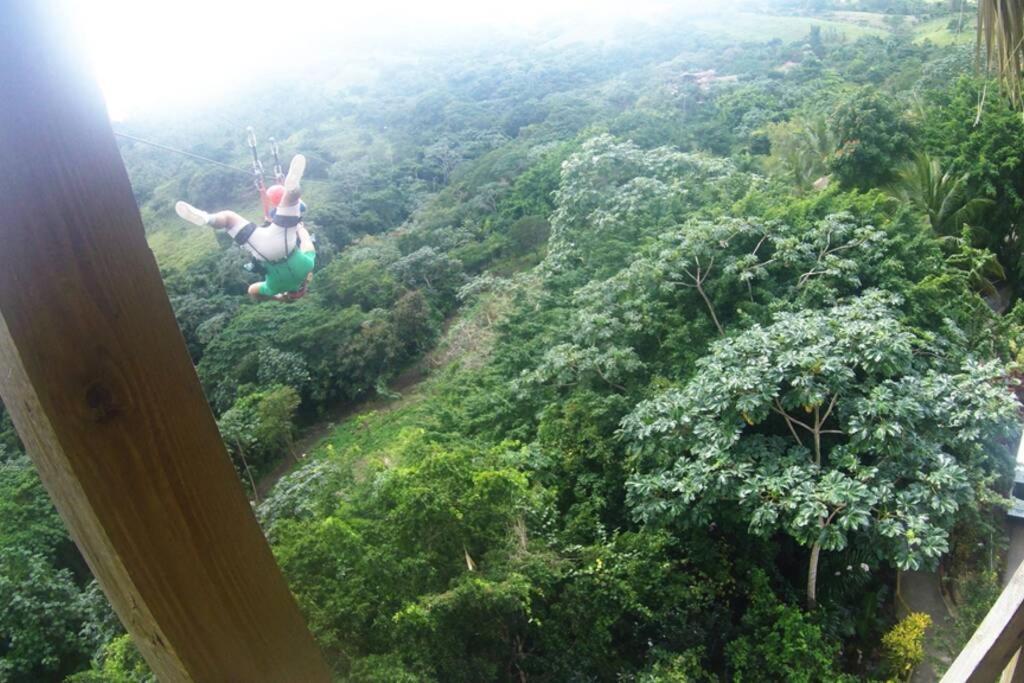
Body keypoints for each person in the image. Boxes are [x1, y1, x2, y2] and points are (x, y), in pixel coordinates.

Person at [175, 154, 314, 302]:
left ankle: (292, 188)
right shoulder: (275, 287)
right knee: (229, 219)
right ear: (288, 292)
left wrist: (299, 227)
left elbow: (306, 241)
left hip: (285, 242)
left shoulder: (307, 267)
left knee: (292, 198)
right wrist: (278, 298)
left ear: (304, 286)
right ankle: (207, 218)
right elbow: (252, 291)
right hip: (262, 250)